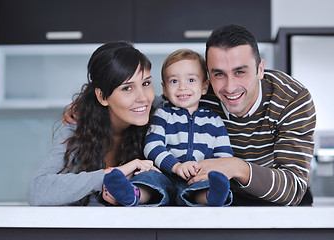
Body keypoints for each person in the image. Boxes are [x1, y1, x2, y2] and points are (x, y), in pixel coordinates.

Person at [28, 41, 168, 206]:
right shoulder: (79, 125)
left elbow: (196, 98)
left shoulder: (162, 113)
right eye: (127, 88)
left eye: (146, 83)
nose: (143, 98)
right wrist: (112, 174)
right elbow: (37, 191)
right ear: (102, 97)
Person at [191, 24, 316, 206]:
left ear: (260, 69)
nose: (230, 87)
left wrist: (236, 166)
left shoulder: (292, 98)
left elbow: (293, 187)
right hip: (216, 197)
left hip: (275, 199)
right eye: (219, 74)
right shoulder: (198, 95)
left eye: (240, 72)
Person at [144, 49, 234, 206]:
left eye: (191, 80)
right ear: (164, 89)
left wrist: (206, 172)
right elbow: (152, 146)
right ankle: (131, 193)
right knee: (147, 179)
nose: (182, 87)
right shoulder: (162, 115)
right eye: (174, 81)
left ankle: (213, 197)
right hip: (164, 175)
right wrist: (176, 166)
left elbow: (224, 156)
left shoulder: (214, 121)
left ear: (205, 86)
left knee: (203, 186)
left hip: (196, 178)